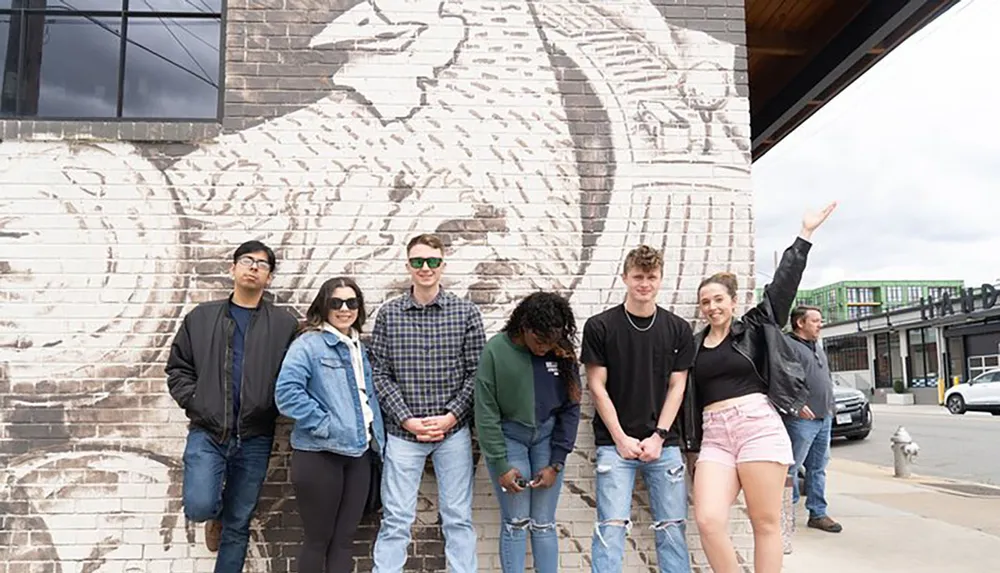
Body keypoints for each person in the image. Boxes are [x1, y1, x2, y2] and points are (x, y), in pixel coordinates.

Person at [683, 202, 837, 573]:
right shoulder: (692, 345)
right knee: (707, 520)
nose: (711, 306)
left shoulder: (754, 327)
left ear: (733, 302)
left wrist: (805, 235)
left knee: (764, 522)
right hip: (715, 435)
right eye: (705, 302)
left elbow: (782, 288)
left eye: (718, 299)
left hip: (757, 427)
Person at [165, 240, 298, 573]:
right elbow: (178, 367)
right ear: (233, 268)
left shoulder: (284, 326)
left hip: (256, 436)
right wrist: (196, 403)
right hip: (208, 432)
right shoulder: (201, 318)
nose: (254, 267)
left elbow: (296, 374)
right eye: (247, 260)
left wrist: (272, 407)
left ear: (269, 277)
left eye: (263, 264)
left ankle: (226, 525)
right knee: (198, 505)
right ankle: (215, 517)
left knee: (239, 524)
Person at [370, 233, 487, 573]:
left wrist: (451, 417)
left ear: (442, 266)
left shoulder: (465, 313)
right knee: (396, 519)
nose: (425, 268)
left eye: (432, 261)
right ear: (408, 266)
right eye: (418, 261)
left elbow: (476, 373)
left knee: (458, 517)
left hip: (453, 434)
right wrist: (407, 419)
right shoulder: (389, 315)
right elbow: (380, 373)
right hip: (404, 435)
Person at [581, 245, 695, 573]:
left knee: (672, 528)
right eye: (638, 277)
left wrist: (659, 436)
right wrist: (620, 438)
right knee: (610, 529)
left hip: (665, 444)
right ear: (625, 278)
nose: (644, 284)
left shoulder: (677, 328)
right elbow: (596, 386)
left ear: (660, 280)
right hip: (614, 446)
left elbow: (678, 387)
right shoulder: (600, 326)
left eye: (651, 277)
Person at [274, 277, 387, 572]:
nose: (344, 308)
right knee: (318, 540)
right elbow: (286, 394)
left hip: (358, 453)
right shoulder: (309, 344)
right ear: (324, 306)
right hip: (319, 455)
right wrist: (325, 424)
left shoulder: (357, 346)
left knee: (345, 540)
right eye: (336, 302)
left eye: (351, 302)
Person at [475, 292, 583, 573]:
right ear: (524, 327)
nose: (545, 348)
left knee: (544, 522)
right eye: (540, 341)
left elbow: (571, 408)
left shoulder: (561, 352)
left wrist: (556, 463)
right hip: (510, 439)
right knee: (516, 522)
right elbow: (485, 413)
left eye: (552, 341)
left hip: (547, 440)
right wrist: (500, 464)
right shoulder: (495, 351)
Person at [783, 305, 842, 533]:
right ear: (800, 323)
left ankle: (817, 513)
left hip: (823, 416)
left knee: (818, 468)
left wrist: (831, 407)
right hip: (801, 420)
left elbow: (824, 378)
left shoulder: (817, 347)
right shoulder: (789, 347)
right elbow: (784, 381)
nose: (820, 324)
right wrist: (796, 406)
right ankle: (786, 514)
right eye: (816, 321)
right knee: (790, 467)